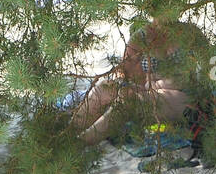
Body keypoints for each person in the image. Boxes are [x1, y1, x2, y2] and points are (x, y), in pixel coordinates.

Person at [70, 19, 206, 146]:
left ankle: (79, 143)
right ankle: (66, 136)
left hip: (184, 98)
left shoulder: (190, 34)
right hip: (149, 91)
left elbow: (208, 76)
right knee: (103, 88)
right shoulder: (142, 36)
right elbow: (127, 75)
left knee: (130, 101)